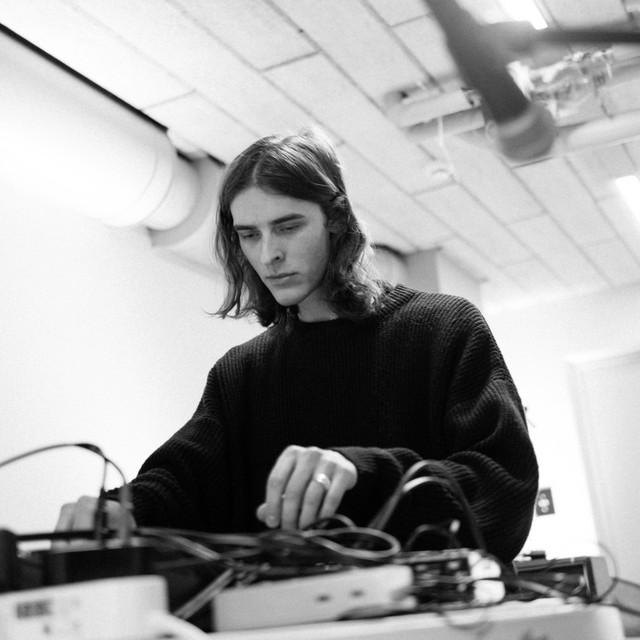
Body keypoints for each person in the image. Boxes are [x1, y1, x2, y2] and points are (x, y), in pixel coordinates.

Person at [56, 128, 538, 563]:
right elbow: (183, 484)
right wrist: (124, 511)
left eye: (288, 227)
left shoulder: (444, 328)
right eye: (250, 235)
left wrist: (363, 473)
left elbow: (502, 487)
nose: (269, 254)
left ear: (336, 219)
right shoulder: (241, 374)